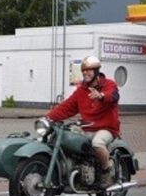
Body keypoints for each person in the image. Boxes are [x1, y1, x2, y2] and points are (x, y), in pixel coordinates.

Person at [47, 55, 120, 188]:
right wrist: (48, 118)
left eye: (89, 70)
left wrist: (101, 96)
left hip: (107, 128)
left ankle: (106, 171)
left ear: (97, 71)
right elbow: (67, 106)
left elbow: (114, 96)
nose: (85, 73)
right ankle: (79, 168)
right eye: (83, 70)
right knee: (65, 137)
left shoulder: (109, 84)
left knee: (97, 143)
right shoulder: (82, 90)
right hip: (87, 128)